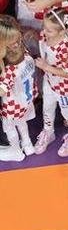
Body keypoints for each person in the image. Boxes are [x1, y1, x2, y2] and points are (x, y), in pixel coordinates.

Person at [32, 9, 68, 156]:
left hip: (64, 87)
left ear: (62, 31)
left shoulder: (65, 48)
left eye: (49, 30)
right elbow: (43, 39)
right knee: (47, 108)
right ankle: (48, 131)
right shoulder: (46, 35)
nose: (44, 32)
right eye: (44, 27)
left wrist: (46, 67)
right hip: (49, 81)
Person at [0, 15, 38, 157]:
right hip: (26, 101)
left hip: (12, 105)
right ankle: (27, 145)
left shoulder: (10, 69)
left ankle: (15, 151)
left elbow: (2, 92)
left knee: (9, 127)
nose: (16, 43)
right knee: (22, 124)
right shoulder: (25, 53)